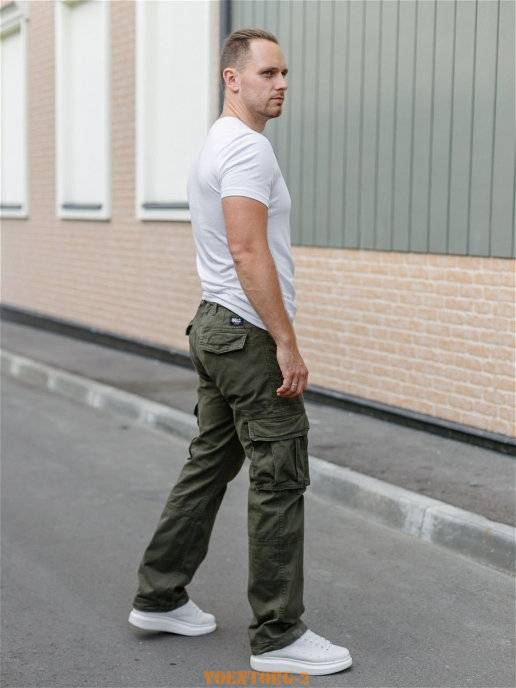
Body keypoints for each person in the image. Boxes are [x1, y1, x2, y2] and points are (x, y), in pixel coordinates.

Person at [128, 27, 352, 676]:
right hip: (246, 334)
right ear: (232, 78)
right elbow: (248, 250)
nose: (281, 84)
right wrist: (286, 342)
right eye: (267, 73)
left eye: (284, 74)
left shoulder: (217, 143)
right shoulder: (248, 150)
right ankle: (278, 636)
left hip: (214, 326)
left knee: (209, 464)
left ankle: (160, 594)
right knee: (279, 474)